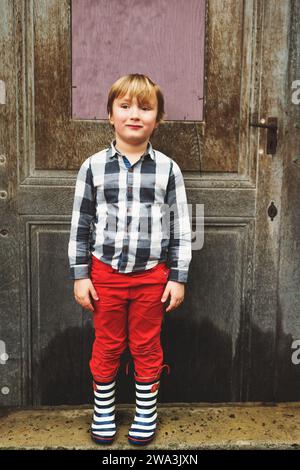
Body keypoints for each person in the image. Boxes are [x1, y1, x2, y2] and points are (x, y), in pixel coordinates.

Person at [68, 73, 192, 446]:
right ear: (110, 115)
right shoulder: (92, 167)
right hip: (104, 274)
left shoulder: (169, 169)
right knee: (107, 344)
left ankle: (145, 411)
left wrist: (178, 276)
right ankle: (103, 410)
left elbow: (183, 225)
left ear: (158, 118)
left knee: (145, 345)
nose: (134, 114)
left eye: (145, 107)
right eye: (124, 106)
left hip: (153, 276)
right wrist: (80, 274)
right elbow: (81, 223)